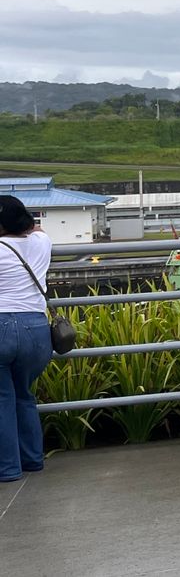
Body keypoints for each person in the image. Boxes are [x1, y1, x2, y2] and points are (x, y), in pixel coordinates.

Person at [0, 196, 52, 483]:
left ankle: (8, 469)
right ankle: (33, 460)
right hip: (37, 331)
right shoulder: (41, 244)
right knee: (24, 395)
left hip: (2, 328)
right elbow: (38, 230)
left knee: (2, 400)